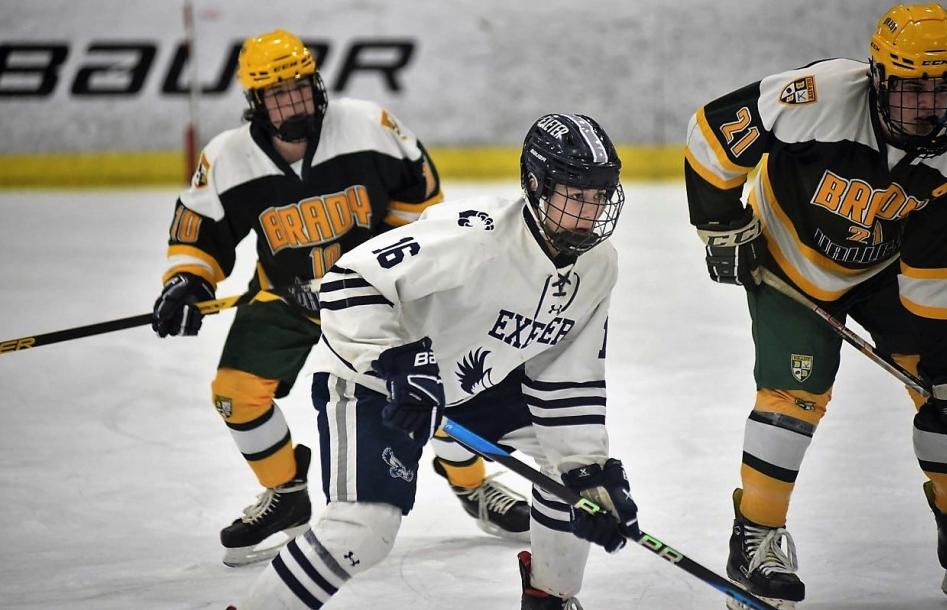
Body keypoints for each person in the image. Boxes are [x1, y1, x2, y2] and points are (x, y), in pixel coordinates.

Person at [151, 29, 529, 568]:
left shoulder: (369, 127)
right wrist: (186, 281)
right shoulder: (227, 159)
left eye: (299, 88)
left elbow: (421, 201)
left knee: (440, 385)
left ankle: (472, 484)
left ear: (316, 86)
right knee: (235, 392)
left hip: (379, 297)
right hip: (287, 296)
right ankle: (285, 494)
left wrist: (414, 274)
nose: (292, 103)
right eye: (277, 94)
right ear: (256, 103)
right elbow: (197, 232)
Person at [230, 113, 640, 610]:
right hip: (375, 378)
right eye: (575, 197)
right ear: (535, 185)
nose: (588, 215)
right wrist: (397, 361)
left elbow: (567, 378)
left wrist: (586, 472)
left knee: (569, 476)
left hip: (464, 385)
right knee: (364, 530)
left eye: (598, 198)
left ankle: (549, 599)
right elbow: (348, 282)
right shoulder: (475, 234)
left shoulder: (599, 265)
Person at [684, 3, 947, 608]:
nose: (925, 106)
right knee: (792, 399)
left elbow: (936, 274)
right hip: (788, 259)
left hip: (888, 270)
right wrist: (721, 226)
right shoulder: (817, 95)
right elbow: (710, 134)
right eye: (912, 88)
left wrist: (945, 373)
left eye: (940, 89)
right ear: (879, 77)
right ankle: (754, 538)